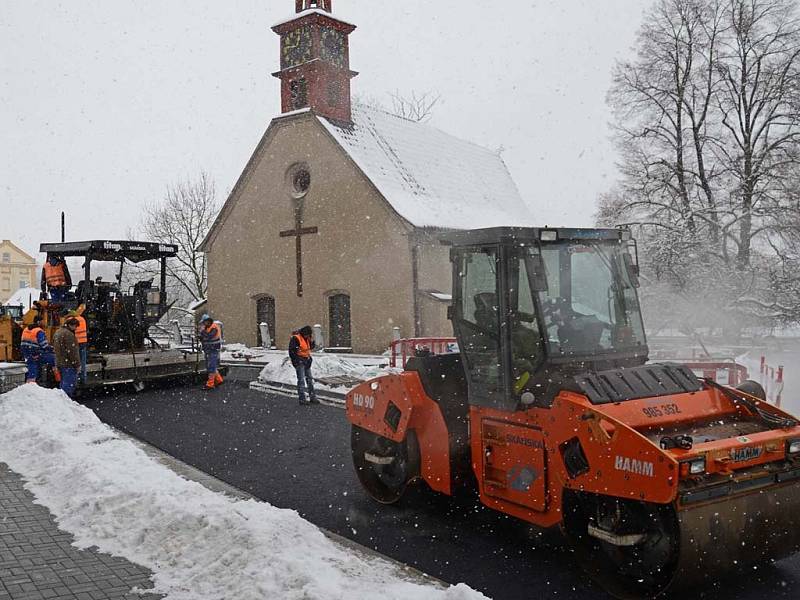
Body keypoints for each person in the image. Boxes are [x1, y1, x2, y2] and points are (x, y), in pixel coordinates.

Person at [289, 325, 318, 405]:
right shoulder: (296, 338)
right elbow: (292, 351)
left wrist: (312, 342)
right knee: (301, 380)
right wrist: (296, 361)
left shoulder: (307, 338)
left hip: (306, 360)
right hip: (300, 362)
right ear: (304, 333)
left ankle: (312, 397)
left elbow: (309, 348)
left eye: (309, 335)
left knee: (309, 380)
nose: (308, 336)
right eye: (307, 334)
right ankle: (302, 399)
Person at [20, 318, 55, 384]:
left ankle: (30, 383)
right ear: (39, 322)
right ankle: (57, 380)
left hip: (26, 352)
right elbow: (44, 345)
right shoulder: (39, 331)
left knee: (32, 367)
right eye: (42, 321)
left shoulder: (26, 329)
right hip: (35, 352)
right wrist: (52, 349)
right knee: (54, 359)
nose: (44, 323)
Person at [52, 317, 80, 397]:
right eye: (75, 326)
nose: (76, 329)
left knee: (63, 383)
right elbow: (73, 352)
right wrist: (77, 365)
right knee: (68, 384)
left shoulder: (58, 332)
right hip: (68, 364)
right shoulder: (69, 335)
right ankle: (66, 401)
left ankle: (62, 401)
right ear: (72, 325)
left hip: (59, 362)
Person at [199, 314, 224, 390]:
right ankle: (219, 380)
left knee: (211, 366)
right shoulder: (207, 327)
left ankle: (210, 384)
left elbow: (209, 336)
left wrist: (202, 334)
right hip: (208, 349)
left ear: (207, 321)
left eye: (204, 322)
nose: (203, 324)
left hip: (213, 349)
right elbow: (205, 337)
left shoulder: (214, 327)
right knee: (210, 365)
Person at [68, 310, 89, 383]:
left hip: (75, 343)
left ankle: (75, 379)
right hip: (83, 342)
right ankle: (83, 378)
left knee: (75, 362)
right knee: (82, 362)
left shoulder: (71, 320)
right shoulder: (82, 319)